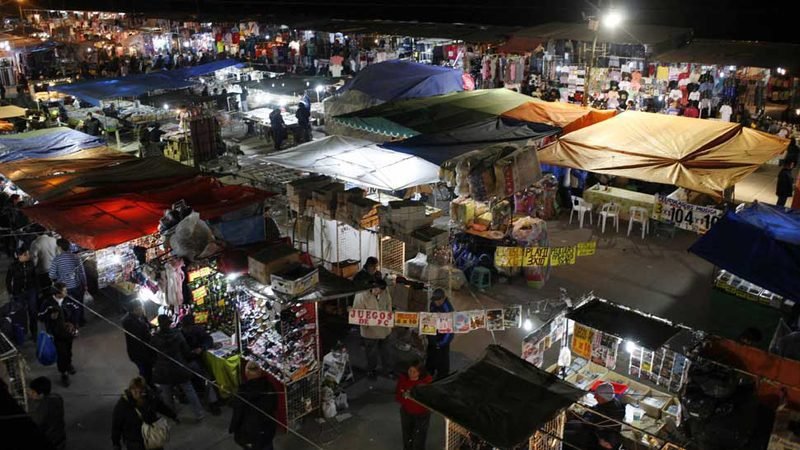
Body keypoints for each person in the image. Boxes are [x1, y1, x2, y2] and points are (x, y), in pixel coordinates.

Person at [151, 314, 206, 420]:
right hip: (179, 367)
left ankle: (172, 415)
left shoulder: (155, 338)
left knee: (167, 394)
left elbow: (151, 354)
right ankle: (199, 413)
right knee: (189, 390)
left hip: (163, 370)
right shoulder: (177, 334)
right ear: (169, 323)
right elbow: (186, 351)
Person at [112, 376, 178, 450]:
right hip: (135, 442)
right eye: (134, 390)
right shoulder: (123, 405)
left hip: (152, 437)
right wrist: (116, 443)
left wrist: (173, 415)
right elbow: (116, 425)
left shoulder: (151, 398)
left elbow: (161, 407)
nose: (137, 393)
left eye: (140, 390)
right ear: (130, 390)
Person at [229, 361, 278, 450]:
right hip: (267, 428)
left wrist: (233, 429)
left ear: (246, 373)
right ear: (260, 372)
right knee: (268, 446)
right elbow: (275, 405)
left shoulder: (242, 392)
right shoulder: (269, 386)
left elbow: (237, 414)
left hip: (251, 431)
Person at [180, 315, 221, 415]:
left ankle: (213, 402)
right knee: (203, 378)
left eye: (189, 327)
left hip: (194, 361)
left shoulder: (197, 330)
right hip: (185, 362)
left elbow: (208, 340)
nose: (188, 329)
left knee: (205, 378)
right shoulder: (179, 335)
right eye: (186, 327)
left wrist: (201, 348)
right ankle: (211, 401)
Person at [38, 283, 77, 387]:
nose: (66, 292)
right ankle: (63, 373)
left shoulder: (68, 300)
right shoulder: (47, 303)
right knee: (62, 354)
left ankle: (69, 365)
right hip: (56, 335)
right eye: (64, 291)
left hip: (69, 333)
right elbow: (40, 316)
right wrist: (50, 316)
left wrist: (75, 327)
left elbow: (76, 311)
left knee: (68, 351)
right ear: (57, 293)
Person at [352, 279, 393, 380]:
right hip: (370, 332)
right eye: (378, 290)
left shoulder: (385, 291)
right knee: (371, 353)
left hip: (384, 329)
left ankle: (387, 370)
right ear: (372, 288)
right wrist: (366, 324)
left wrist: (388, 318)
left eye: (382, 291)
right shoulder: (361, 295)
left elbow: (389, 304)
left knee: (386, 352)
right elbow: (357, 313)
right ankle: (371, 370)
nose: (380, 293)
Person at [395, 360, 433, 450]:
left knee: (419, 437)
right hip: (406, 412)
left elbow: (430, 399)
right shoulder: (403, 379)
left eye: (414, 372)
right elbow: (398, 394)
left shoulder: (426, 382)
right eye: (410, 371)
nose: (411, 374)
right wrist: (404, 396)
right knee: (407, 434)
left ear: (420, 373)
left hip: (422, 414)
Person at [49, 239, 87, 326]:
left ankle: (71, 323)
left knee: (68, 306)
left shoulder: (57, 260)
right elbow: (82, 272)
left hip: (64, 288)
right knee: (79, 304)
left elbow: (51, 275)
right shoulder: (76, 257)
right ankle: (80, 321)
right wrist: (85, 284)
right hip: (77, 285)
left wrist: (57, 279)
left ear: (59, 247)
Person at [6, 243, 39, 340]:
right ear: (20, 256)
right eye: (26, 254)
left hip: (31, 291)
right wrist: (11, 292)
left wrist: (37, 289)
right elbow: (8, 280)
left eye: (28, 254)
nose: (28, 256)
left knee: (33, 312)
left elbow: (35, 277)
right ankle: (22, 333)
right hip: (19, 292)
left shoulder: (31, 264)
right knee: (21, 313)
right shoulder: (13, 267)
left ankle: (34, 334)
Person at [28, 376, 66, 449]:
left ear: (41, 395)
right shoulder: (57, 396)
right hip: (60, 435)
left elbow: (36, 422)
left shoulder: (43, 406)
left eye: (33, 392)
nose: (30, 393)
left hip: (52, 438)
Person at [122, 302, 156, 385]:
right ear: (134, 310)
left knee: (149, 369)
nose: (142, 309)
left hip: (146, 350)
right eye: (140, 308)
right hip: (138, 353)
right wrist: (150, 333)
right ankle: (147, 387)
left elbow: (148, 324)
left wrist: (154, 326)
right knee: (145, 372)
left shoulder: (140, 316)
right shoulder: (128, 321)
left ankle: (150, 383)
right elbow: (141, 335)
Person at [426, 288, 454, 379]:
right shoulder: (433, 304)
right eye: (435, 300)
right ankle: (429, 371)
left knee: (442, 358)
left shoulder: (448, 310)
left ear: (443, 298)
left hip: (443, 337)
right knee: (431, 355)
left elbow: (450, 331)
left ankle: (442, 375)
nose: (436, 303)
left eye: (438, 300)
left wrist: (441, 343)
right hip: (433, 334)